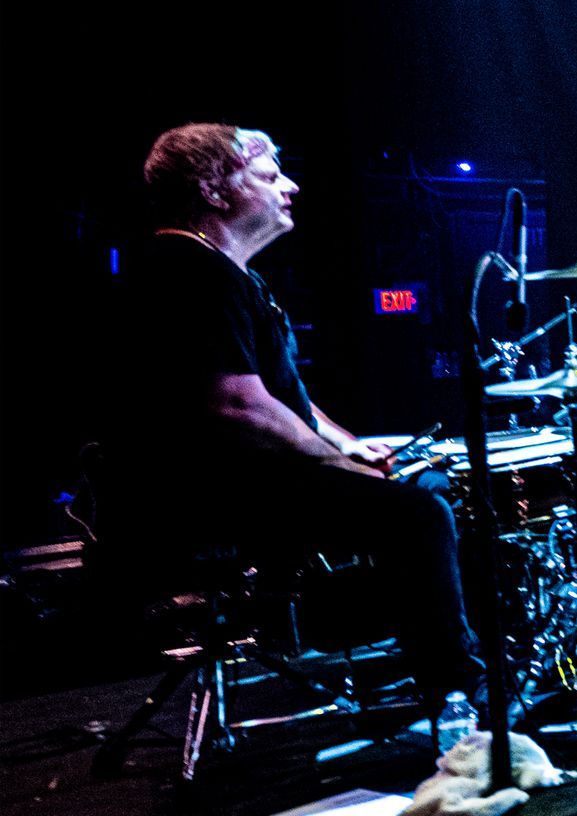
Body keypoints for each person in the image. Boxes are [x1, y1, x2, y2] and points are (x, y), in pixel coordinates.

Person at [104, 124, 485, 707]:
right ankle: (458, 693)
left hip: (251, 480)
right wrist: (338, 463)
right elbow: (240, 406)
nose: (291, 185)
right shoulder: (189, 271)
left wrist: (350, 446)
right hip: (216, 494)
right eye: (269, 174)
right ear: (213, 189)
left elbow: (283, 395)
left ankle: (416, 655)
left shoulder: (227, 272)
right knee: (419, 513)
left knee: (431, 484)